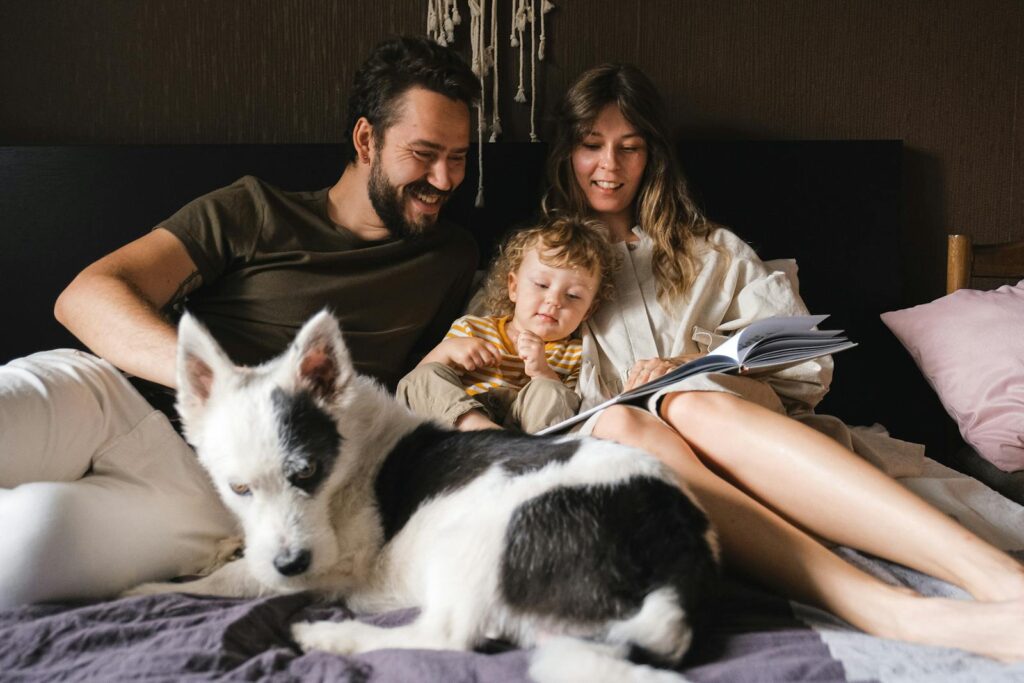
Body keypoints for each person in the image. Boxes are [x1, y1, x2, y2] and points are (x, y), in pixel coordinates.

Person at [544, 62, 1024, 661]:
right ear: (567, 151)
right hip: (633, 462)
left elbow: (806, 372)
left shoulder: (713, 252)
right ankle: (887, 608)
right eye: (592, 146)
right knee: (622, 424)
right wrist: (454, 357)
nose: (609, 167)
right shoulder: (541, 265)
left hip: (745, 434)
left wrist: (694, 365)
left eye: (629, 147)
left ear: (653, 156)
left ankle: (1005, 584)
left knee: (687, 399)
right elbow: (478, 373)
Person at [0, 36, 480, 607]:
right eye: (425, 153)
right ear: (366, 139)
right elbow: (86, 296)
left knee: (24, 550)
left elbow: (440, 377)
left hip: (208, 493)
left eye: (459, 157)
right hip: (109, 395)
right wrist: (227, 391)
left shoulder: (452, 259)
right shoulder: (254, 209)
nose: (446, 180)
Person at [397, 216, 616, 433]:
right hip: (461, 422)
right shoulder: (473, 329)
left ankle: (520, 450)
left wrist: (543, 372)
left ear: (589, 310)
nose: (554, 301)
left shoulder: (575, 354)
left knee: (552, 390)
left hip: (525, 431)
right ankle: (481, 432)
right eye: (541, 284)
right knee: (423, 376)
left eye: (573, 295)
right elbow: (420, 384)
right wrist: (447, 351)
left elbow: (569, 411)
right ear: (514, 287)